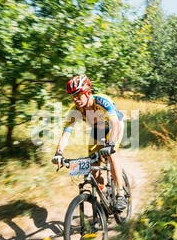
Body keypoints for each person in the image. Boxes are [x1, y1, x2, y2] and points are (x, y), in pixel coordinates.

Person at [51, 75, 127, 211]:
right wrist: (58, 153)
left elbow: (115, 123)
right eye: (73, 96)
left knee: (111, 154)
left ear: (88, 92)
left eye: (78, 95)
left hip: (115, 126)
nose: (75, 99)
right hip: (97, 130)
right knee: (93, 163)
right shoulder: (75, 110)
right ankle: (105, 194)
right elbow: (66, 133)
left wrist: (110, 145)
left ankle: (121, 194)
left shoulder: (103, 101)